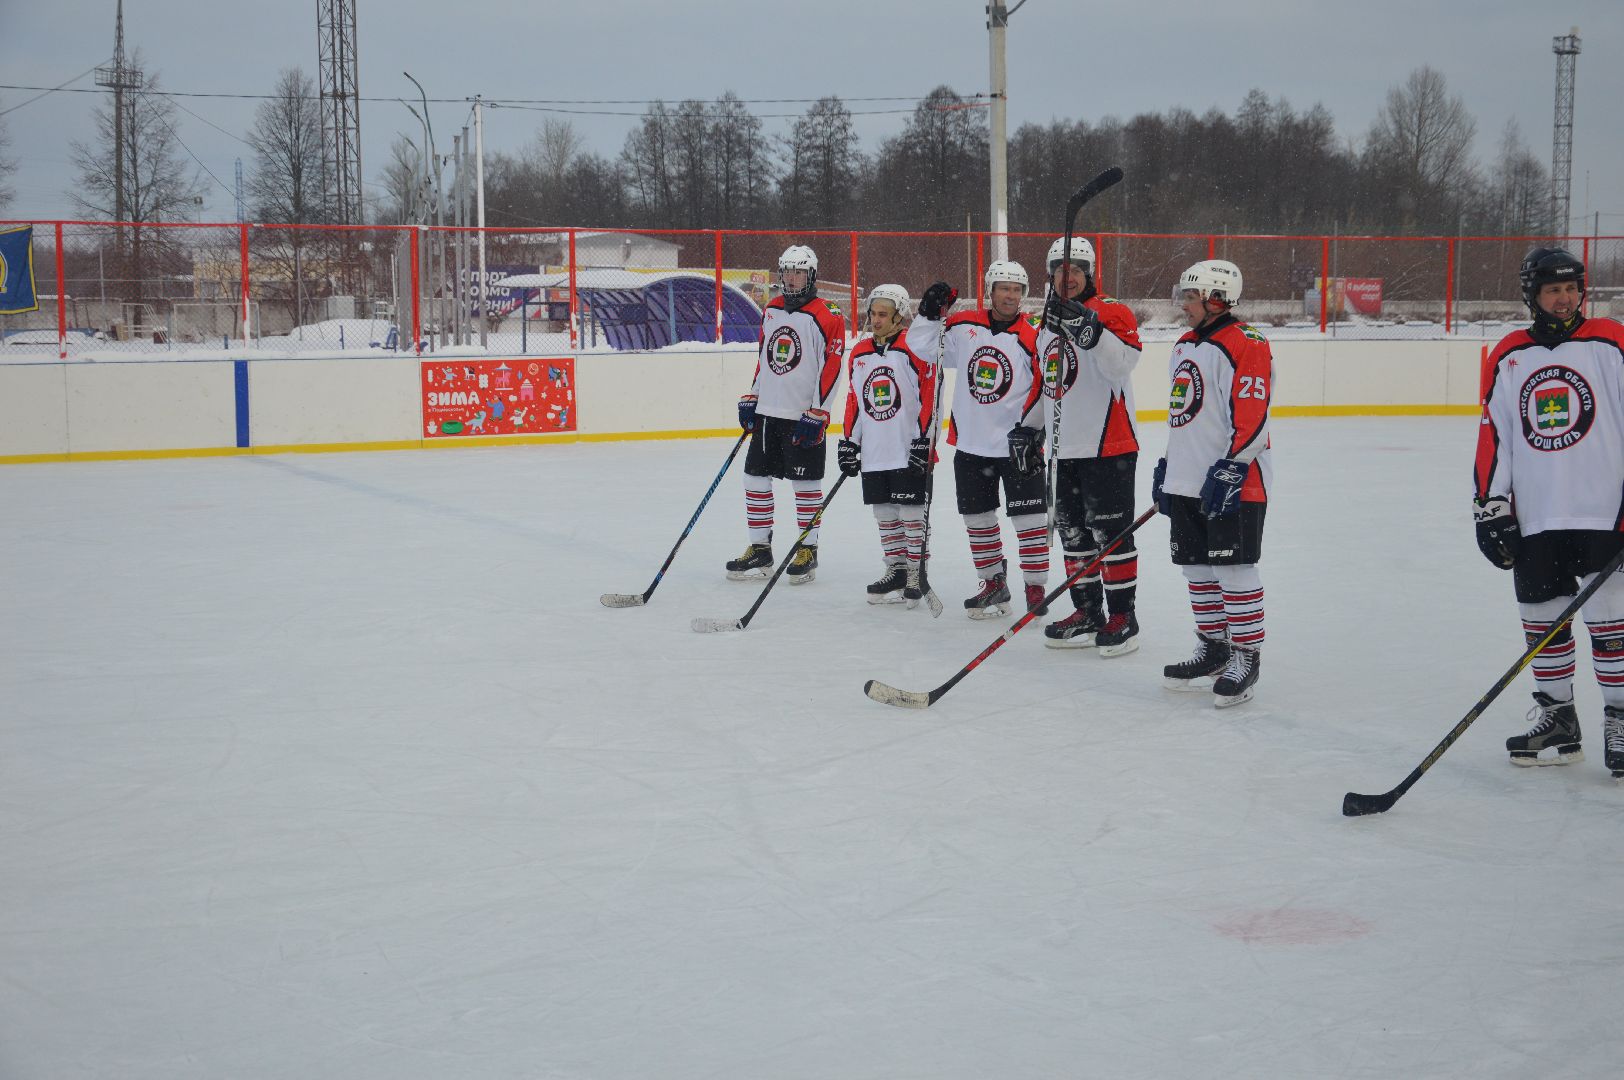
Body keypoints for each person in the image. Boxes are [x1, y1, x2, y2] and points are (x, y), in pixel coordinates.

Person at [1474, 247, 1624, 777]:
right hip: (1537, 514)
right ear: (1532, 296)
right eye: (1552, 290)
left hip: (1604, 513)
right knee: (1542, 620)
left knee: (1610, 622)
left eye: (1571, 288)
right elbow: (1495, 436)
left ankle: (1620, 718)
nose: (1564, 298)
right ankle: (1558, 717)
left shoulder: (1611, 340)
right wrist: (1492, 505)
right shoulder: (1510, 354)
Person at [1153, 259, 1273, 707]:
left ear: (1216, 298)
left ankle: (1246, 655)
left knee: (1234, 568)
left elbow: (1254, 416)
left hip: (1234, 479)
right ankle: (1214, 648)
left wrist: (1234, 466)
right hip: (1188, 480)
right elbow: (1184, 415)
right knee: (1198, 569)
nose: (1183, 304)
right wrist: (1170, 466)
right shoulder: (1184, 344)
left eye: (1190, 296)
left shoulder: (1247, 343)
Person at [907, 261, 1048, 619]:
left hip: (1018, 447)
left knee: (1029, 519)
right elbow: (922, 347)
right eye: (1004, 288)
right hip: (971, 446)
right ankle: (993, 583)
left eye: (1017, 290)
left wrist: (1035, 432)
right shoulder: (964, 325)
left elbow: (1048, 391)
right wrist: (927, 311)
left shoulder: (1033, 338)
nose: (1011, 296)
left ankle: (1035, 588)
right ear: (990, 290)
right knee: (978, 518)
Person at [1037, 236, 1145, 655]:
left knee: (1111, 535)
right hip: (1064, 449)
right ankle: (1087, 611)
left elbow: (1123, 363)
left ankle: (1123, 616)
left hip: (1109, 445)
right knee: (1074, 535)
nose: (1069, 278)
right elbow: (1045, 384)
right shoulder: (1045, 323)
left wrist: (1091, 330)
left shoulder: (1113, 311)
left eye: (1077, 271)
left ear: (1090, 273)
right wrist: (1029, 429)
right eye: (1061, 272)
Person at [729, 245, 846, 584]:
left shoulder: (828, 313)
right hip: (768, 412)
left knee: (805, 484)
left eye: (800, 272)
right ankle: (760, 550)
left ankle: (808, 549)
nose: (793, 278)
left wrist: (819, 412)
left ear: (812, 275)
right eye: (788, 272)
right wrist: (753, 394)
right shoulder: (773, 309)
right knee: (754, 478)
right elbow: (765, 358)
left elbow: (833, 366)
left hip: (803, 414)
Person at [838, 284, 938, 606]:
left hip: (907, 448)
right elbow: (854, 400)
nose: (876, 320)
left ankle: (915, 571)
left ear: (899, 316)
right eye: (873, 314)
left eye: (883, 314)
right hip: (875, 451)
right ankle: (895, 569)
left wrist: (924, 442)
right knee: (884, 514)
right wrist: (849, 443)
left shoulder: (914, 349)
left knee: (911, 514)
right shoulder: (860, 352)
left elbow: (930, 399)